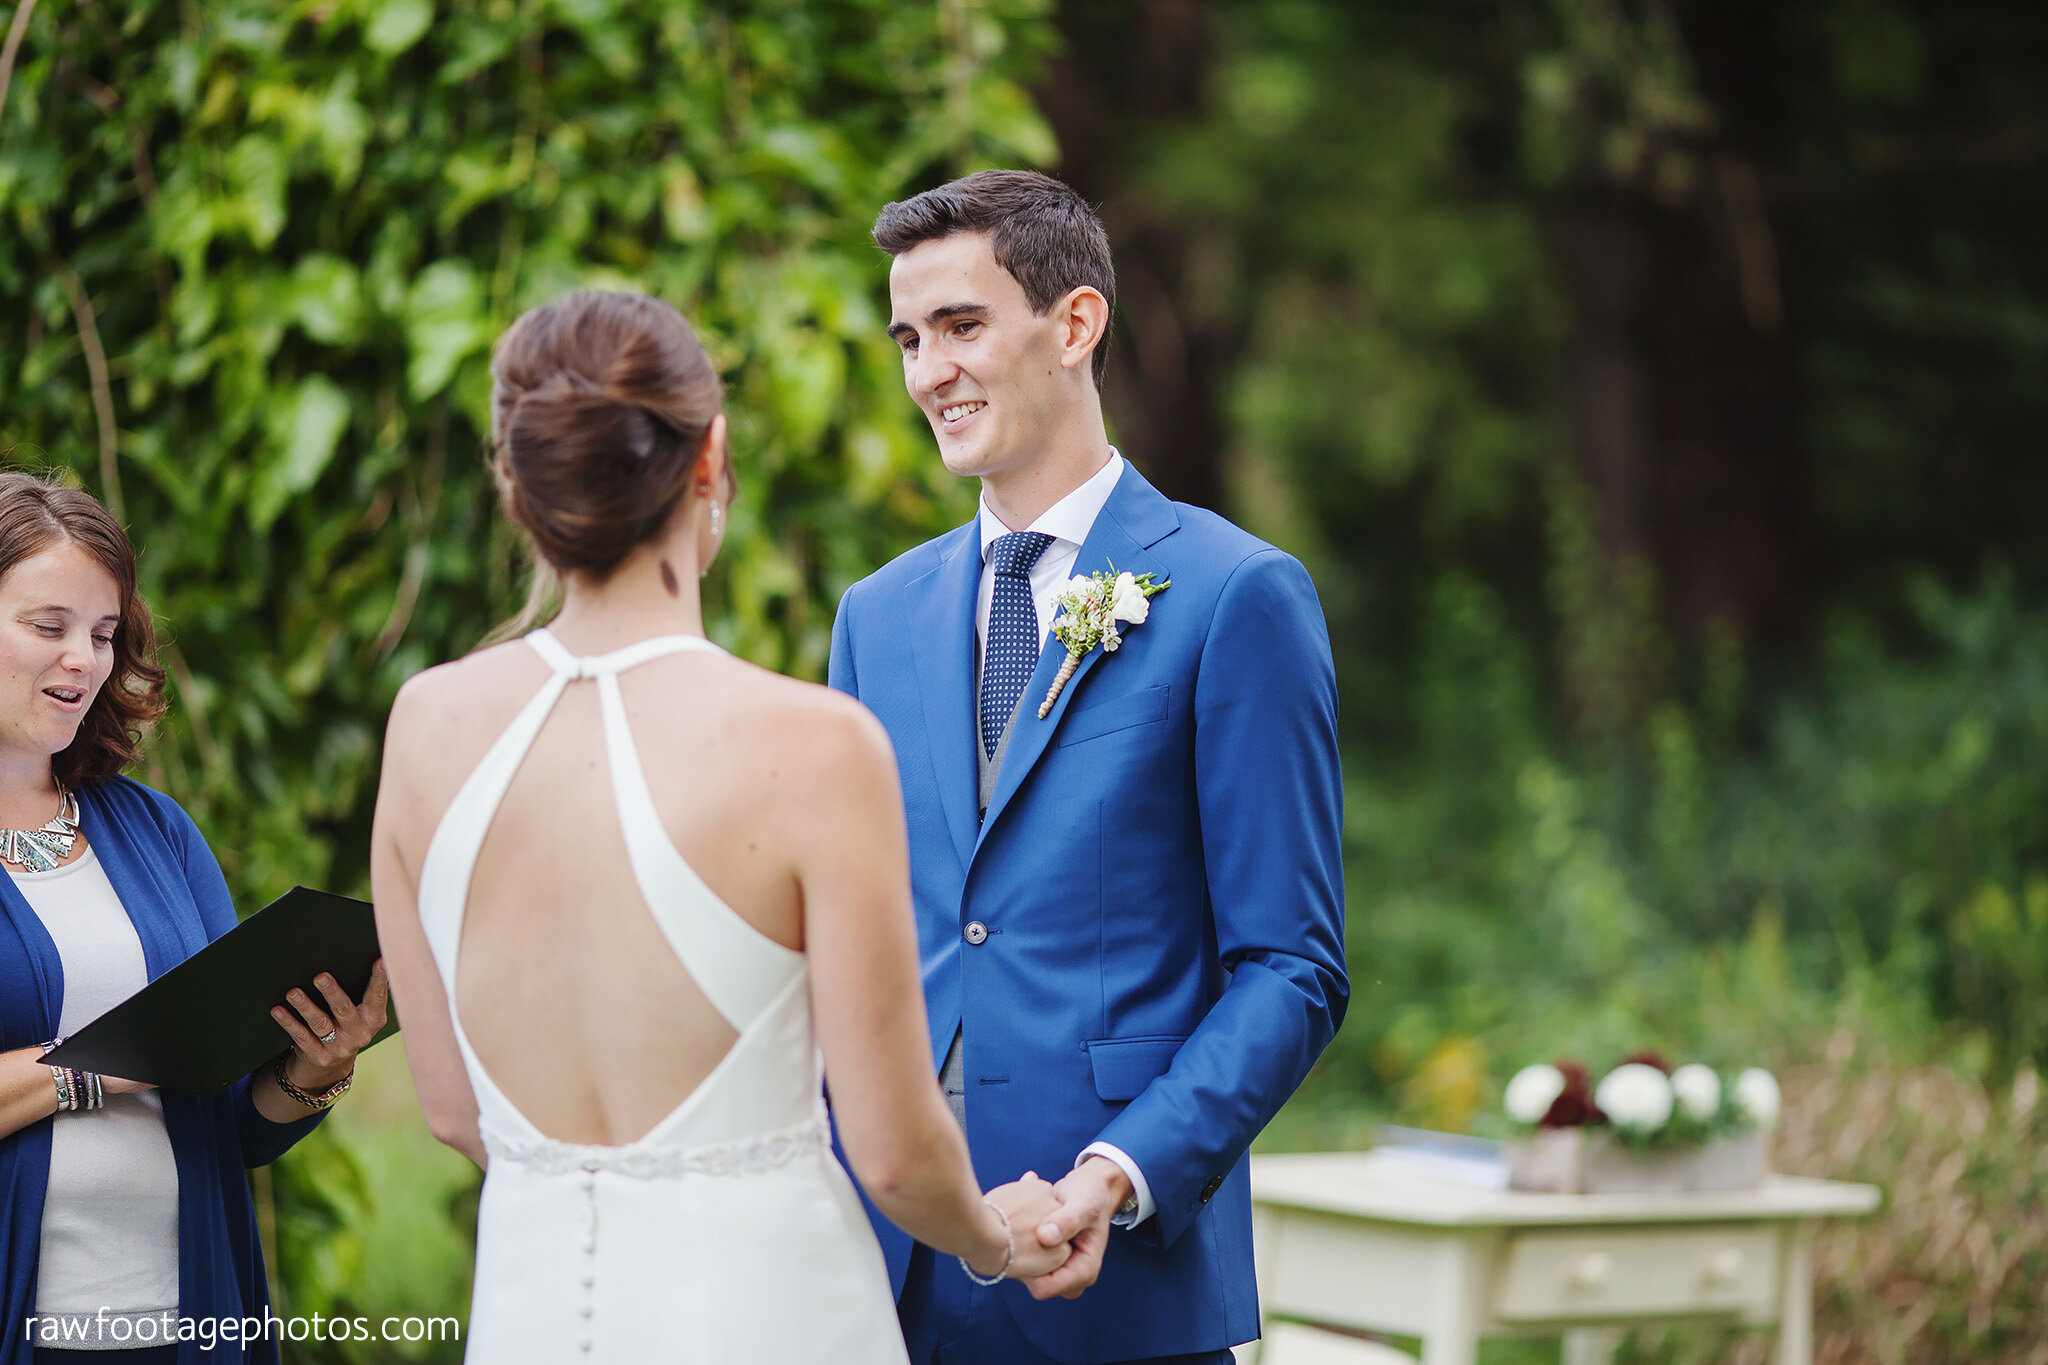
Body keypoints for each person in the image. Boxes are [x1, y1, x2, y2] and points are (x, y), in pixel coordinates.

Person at [370, 290, 1071, 1364]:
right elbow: (890, 1152)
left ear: (517, 482)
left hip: (533, 1311)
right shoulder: (811, 744)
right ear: (710, 459)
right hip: (771, 1313)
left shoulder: (424, 726)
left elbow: (456, 1114)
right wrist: (993, 1238)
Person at [829, 169, 1349, 1364]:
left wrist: (1116, 1176)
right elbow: (851, 944)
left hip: (1117, 1289)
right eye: (908, 338)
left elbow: (1291, 966)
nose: (926, 373)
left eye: (960, 326)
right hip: (883, 1285)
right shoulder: (875, 617)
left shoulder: (1234, 597)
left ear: (1073, 325)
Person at [0, 471, 389, 1365]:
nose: (83, 661)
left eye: (101, 634)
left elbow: (234, 1121)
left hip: (190, 1322)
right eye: (48, 626)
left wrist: (314, 1067)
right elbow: (152, 1066)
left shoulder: (158, 833)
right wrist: (102, 1070)